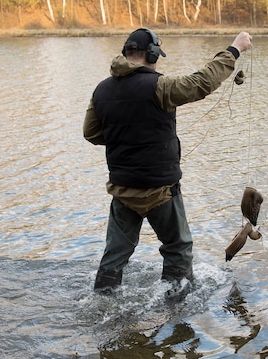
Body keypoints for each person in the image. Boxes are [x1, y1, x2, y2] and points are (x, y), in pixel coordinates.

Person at [83, 28, 252, 295]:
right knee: (178, 248)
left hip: (122, 190)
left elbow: (91, 133)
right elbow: (202, 82)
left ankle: (102, 298)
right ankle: (178, 310)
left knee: (114, 255)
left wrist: (126, 135)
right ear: (151, 54)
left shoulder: (101, 91)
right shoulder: (160, 86)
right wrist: (234, 50)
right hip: (160, 191)